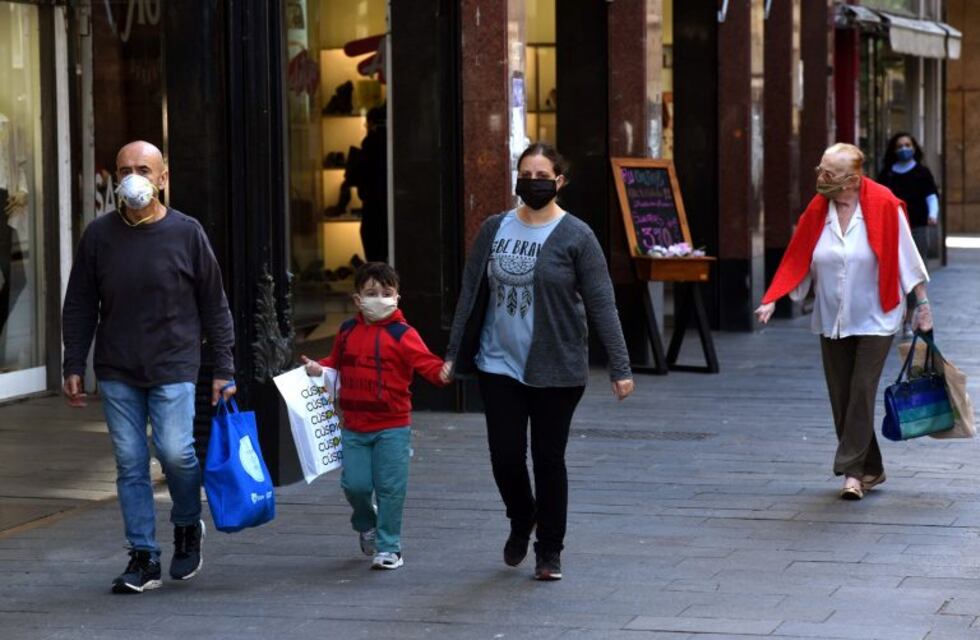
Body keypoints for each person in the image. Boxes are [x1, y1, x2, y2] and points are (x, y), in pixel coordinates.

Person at [443, 143, 634, 581]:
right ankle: (521, 516)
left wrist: (621, 368)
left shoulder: (577, 236)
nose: (532, 181)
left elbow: (603, 304)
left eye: (541, 174)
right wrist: (453, 354)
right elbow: (470, 295)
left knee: (549, 459)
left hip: (556, 367)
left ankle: (550, 551)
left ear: (559, 181)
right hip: (497, 364)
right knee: (505, 458)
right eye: (525, 173)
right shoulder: (494, 229)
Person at [62, 141, 237, 593]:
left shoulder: (187, 233)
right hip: (118, 367)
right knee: (130, 462)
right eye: (124, 169)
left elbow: (214, 304)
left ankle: (185, 524)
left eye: (143, 168)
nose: (133, 176)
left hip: (175, 364)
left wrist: (224, 368)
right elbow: (80, 302)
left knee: (177, 453)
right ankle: (142, 556)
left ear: (162, 178)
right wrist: (73, 362)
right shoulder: (99, 236)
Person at [755, 142, 933, 501]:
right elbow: (798, 256)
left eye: (828, 173)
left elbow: (907, 259)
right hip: (832, 317)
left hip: (877, 315)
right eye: (820, 170)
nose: (820, 178)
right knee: (841, 395)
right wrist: (773, 298)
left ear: (852, 180)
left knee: (861, 390)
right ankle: (873, 468)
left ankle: (851, 472)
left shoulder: (883, 205)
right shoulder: (818, 211)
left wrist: (923, 305)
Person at [301, 262, 448, 570]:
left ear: (397, 298)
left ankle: (389, 547)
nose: (378, 298)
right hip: (354, 426)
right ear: (357, 299)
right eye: (371, 293)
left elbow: (427, 364)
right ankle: (366, 523)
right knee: (354, 485)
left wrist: (445, 372)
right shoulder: (347, 331)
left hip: (393, 426)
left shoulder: (403, 334)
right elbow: (335, 363)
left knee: (391, 488)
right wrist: (319, 368)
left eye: (386, 292)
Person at [877, 132, 940, 336]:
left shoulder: (922, 172)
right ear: (893, 150)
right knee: (891, 272)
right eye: (899, 146)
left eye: (907, 144)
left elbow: (931, 196)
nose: (904, 148)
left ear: (914, 147)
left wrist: (932, 215)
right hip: (891, 229)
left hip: (917, 228)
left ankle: (908, 318)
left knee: (913, 273)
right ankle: (892, 315)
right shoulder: (887, 174)